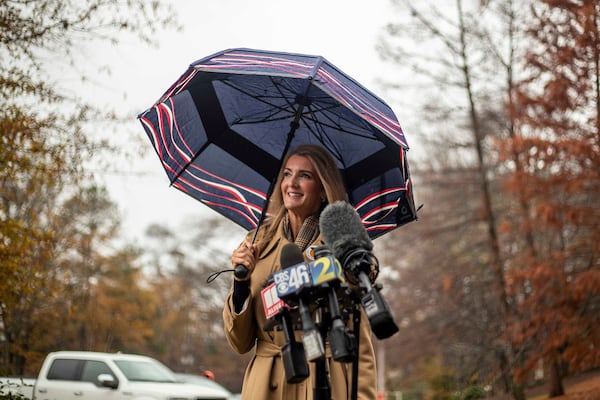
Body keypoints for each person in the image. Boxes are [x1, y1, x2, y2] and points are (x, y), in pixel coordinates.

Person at [222, 144, 377, 400]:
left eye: (304, 176)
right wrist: (240, 282)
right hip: (266, 384)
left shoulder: (344, 245)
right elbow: (239, 342)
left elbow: (360, 344)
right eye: (286, 174)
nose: (291, 184)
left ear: (324, 189)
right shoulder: (257, 241)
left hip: (326, 378)